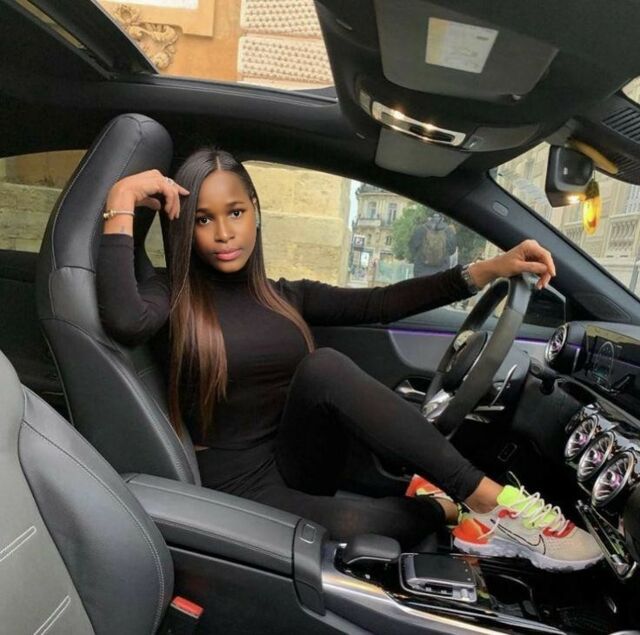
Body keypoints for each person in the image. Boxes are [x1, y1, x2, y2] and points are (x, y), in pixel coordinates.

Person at [97, 148, 601, 570]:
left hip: (298, 457)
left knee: (323, 368)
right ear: (184, 225)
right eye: (204, 219)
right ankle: (463, 509)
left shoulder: (282, 295)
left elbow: (380, 303)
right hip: (239, 482)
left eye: (235, 212)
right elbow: (124, 319)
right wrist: (121, 201)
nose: (224, 233)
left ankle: (491, 501)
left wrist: (489, 268)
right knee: (382, 523)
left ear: (255, 211)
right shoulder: (172, 295)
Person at [410, 212, 457, 277]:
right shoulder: (448, 231)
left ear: (429, 218)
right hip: (442, 271)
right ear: (442, 218)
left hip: (421, 271)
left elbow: (412, 248)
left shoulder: (420, 229)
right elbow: (452, 250)